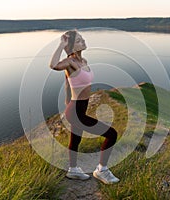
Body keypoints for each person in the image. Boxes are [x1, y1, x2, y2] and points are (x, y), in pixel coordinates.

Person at [49, 30, 119, 184]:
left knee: (75, 140)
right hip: (75, 111)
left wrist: (67, 99)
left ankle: (73, 170)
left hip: (78, 108)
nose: (83, 41)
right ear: (72, 46)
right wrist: (61, 44)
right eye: (79, 40)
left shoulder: (84, 61)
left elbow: (68, 82)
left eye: (82, 38)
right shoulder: (70, 62)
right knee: (112, 134)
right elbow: (53, 65)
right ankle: (102, 170)